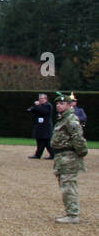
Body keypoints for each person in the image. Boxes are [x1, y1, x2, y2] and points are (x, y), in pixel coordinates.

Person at [51, 92, 87, 223]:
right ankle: (70, 212)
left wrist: (81, 152)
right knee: (65, 184)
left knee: (68, 186)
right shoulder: (63, 118)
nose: (59, 106)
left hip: (69, 157)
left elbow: (78, 137)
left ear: (69, 105)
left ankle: (72, 215)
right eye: (58, 103)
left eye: (62, 103)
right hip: (62, 157)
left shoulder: (71, 119)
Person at [29, 94, 55, 159]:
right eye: (39, 98)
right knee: (40, 141)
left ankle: (53, 154)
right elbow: (33, 111)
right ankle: (38, 154)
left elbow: (44, 111)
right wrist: (33, 107)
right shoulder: (39, 106)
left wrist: (37, 106)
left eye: (41, 98)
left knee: (47, 142)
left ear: (46, 99)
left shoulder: (48, 106)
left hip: (46, 127)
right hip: (39, 127)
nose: (40, 100)